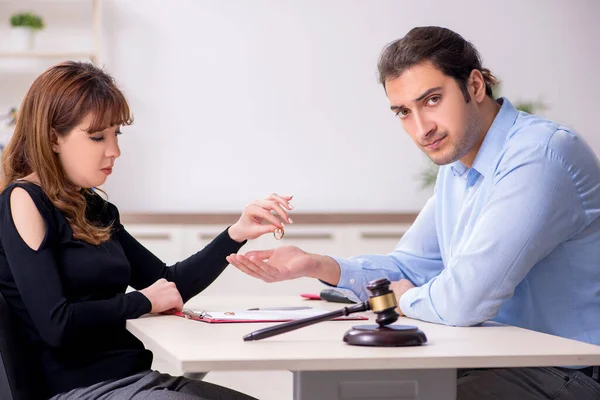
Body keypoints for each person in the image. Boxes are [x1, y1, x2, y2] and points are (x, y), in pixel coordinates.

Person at [226, 26, 600, 399]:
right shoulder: (457, 168)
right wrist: (317, 265)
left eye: (432, 100)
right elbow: (412, 267)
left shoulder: (539, 155)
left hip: (565, 373)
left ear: (474, 86)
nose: (422, 129)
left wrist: (405, 299)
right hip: (491, 358)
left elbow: (464, 301)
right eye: (404, 111)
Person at [0, 61, 294, 400]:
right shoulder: (23, 200)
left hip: (137, 379)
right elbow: (57, 323)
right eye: (97, 136)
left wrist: (236, 233)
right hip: (80, 390)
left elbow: (168, 283)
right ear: (53, 137)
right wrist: (141, 301)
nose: (114, 151)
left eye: (115, 134)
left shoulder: (92, 207)